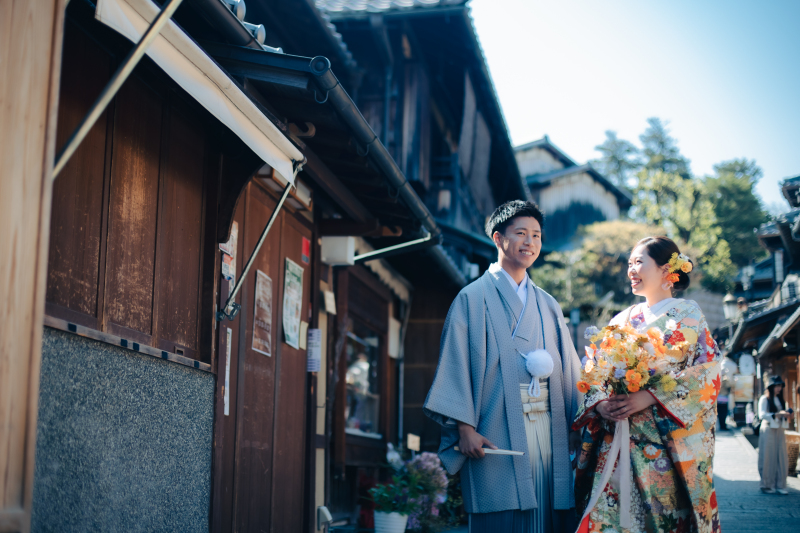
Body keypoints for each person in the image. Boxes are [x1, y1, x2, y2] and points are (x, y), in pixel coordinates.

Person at [423, 200, 582, 533]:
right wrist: (464, 429)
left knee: (549, 511)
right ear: (498, 238)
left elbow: (568, 369)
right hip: (494, 425)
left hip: (549, 426)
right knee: (499, 510)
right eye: (521, 233)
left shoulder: (548, 304)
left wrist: (575, 423)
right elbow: (457, 362)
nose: (530, 242)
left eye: (536, 235)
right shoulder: (472, 297)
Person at [573, 236, 721, 533]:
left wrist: (651, 396)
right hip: (616, 441)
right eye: (629, 263)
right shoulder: (622, 319)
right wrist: (601, 403)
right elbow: (593, 370)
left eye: (639, 262)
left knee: (660, 521)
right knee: (608, 520)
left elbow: (708, 373)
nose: (631, 269)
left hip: (662, 446)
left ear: (668, 270)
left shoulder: (688, 315)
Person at [758, 375, 791, 494]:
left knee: (781, 456)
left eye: (780, 386)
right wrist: (776, 414)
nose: (779, 388)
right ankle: (767, 484)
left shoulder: (782, 400)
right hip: (768, 428)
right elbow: (762, 415)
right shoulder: (764, 399)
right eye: (777, 386)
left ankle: (781, 484)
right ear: (771, 387)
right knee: (768, 456)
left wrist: (786, 414)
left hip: (779, 429)